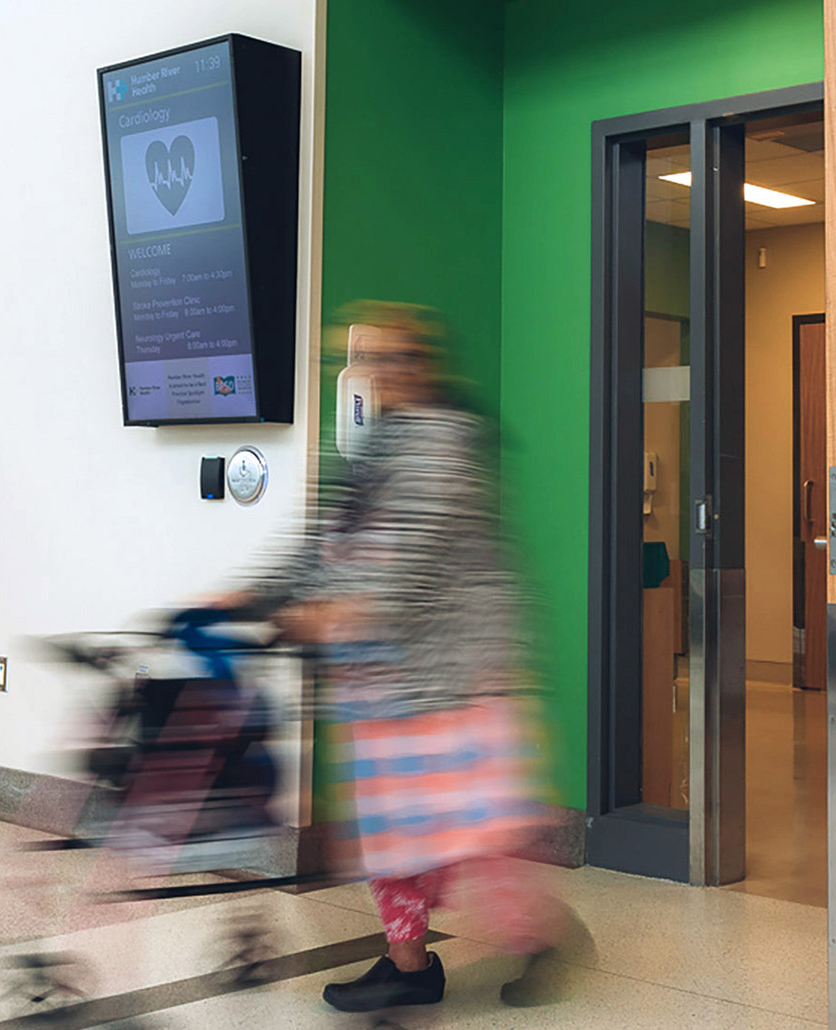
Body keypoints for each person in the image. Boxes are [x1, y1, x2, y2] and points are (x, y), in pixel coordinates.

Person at [235, 304, 584, 1014]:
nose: (379, 372)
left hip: (454, 683)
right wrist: (250, 591)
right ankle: (409, 964)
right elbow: (325, 542)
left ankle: (545, 937)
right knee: (392, 838)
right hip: (384, 686)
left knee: (474, 836)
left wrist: (330, 615)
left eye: (394, 358)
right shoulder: (378, 449)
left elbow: (409, 569)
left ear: (423, 366)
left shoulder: (445, 447)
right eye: (368, 359)